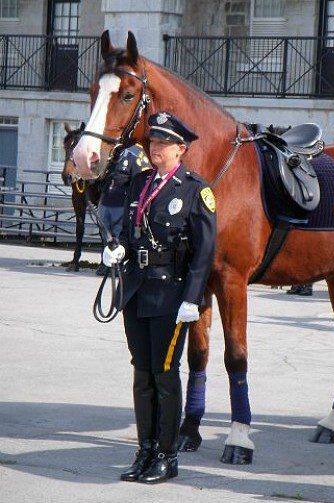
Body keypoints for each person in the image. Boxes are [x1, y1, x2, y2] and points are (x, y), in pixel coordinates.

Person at [103, 111, 217, 484]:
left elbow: (204, 251)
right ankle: (145, 450)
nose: (155, 148)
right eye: (153, 142)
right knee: (142, 373)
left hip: (171, 294)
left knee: (165, 375)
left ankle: (167, 456)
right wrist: (115, 247)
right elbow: (125, 226)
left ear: (180, 149)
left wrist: (193, 298)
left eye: (163, 143)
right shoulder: (139, 183)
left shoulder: (194, 189)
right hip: (136, 291)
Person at [96, 145, 152, 275]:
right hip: (105, 201)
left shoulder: (135, 154)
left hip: (121, 203)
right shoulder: (110, 153)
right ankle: (105, 264)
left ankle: (117, 266)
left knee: (118, 235)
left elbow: (140, 182)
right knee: (105, 234)